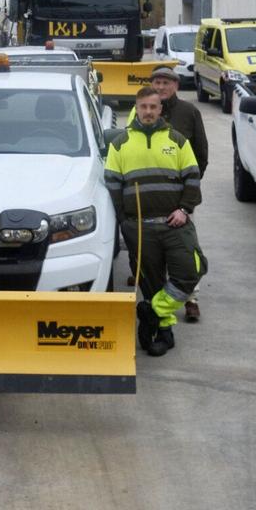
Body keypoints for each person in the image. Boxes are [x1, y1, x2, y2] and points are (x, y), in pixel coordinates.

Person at [104, 86, 205, 357]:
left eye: (153, 107)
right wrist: (124, 220)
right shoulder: (120, 143)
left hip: (176, 223)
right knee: (150, 282)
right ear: (137, 109)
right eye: (143, 107)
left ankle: (152, 311)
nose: (148, 112)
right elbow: (112, 183)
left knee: (191, 271)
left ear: (161, 109)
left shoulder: (178, 140)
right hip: (139, 226)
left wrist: (184, 209)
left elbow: (192, 178)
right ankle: (164, 333)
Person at [129, 65, 210, 315]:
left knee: (187, 253)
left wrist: (187, 194)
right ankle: (156, 298)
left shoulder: (190, 111)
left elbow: (201, 154)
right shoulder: (139, 110)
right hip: (149, 199)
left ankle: (191, 299)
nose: (161, 87)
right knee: (151, 251)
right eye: (157, 83)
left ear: (175, 86)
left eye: (166, 83)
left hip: (181, 201)